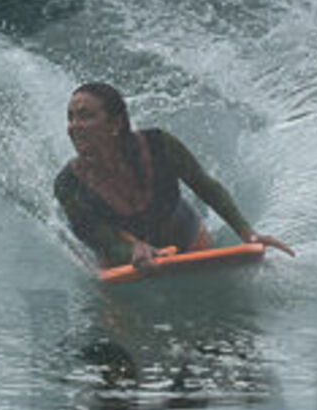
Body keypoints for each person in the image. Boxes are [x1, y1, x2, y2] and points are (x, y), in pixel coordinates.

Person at [54, 83, 294, 271]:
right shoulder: (69, 184)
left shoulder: (158, 145)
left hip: (184, 233)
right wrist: (132, 251)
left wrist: (246, 232)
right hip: (121, 257)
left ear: (115, 123)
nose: (74, 126)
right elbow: (102, 241)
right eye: (70, 117)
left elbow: (205, 186)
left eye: (85, 116)